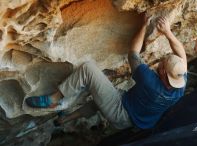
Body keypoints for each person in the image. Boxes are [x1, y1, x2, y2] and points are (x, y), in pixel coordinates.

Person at [25, 14, 187, 129]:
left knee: (88, 69)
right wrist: (168, 32)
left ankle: (54, 99)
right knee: (100, 99)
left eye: (162, 63)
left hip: (121, 112)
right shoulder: (180, 86)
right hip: (135, 119)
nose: (160, 61)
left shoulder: (149, 81)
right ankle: (64, 120)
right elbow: (182, 54)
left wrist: (144, 25)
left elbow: (133, 53)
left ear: (164, 73)